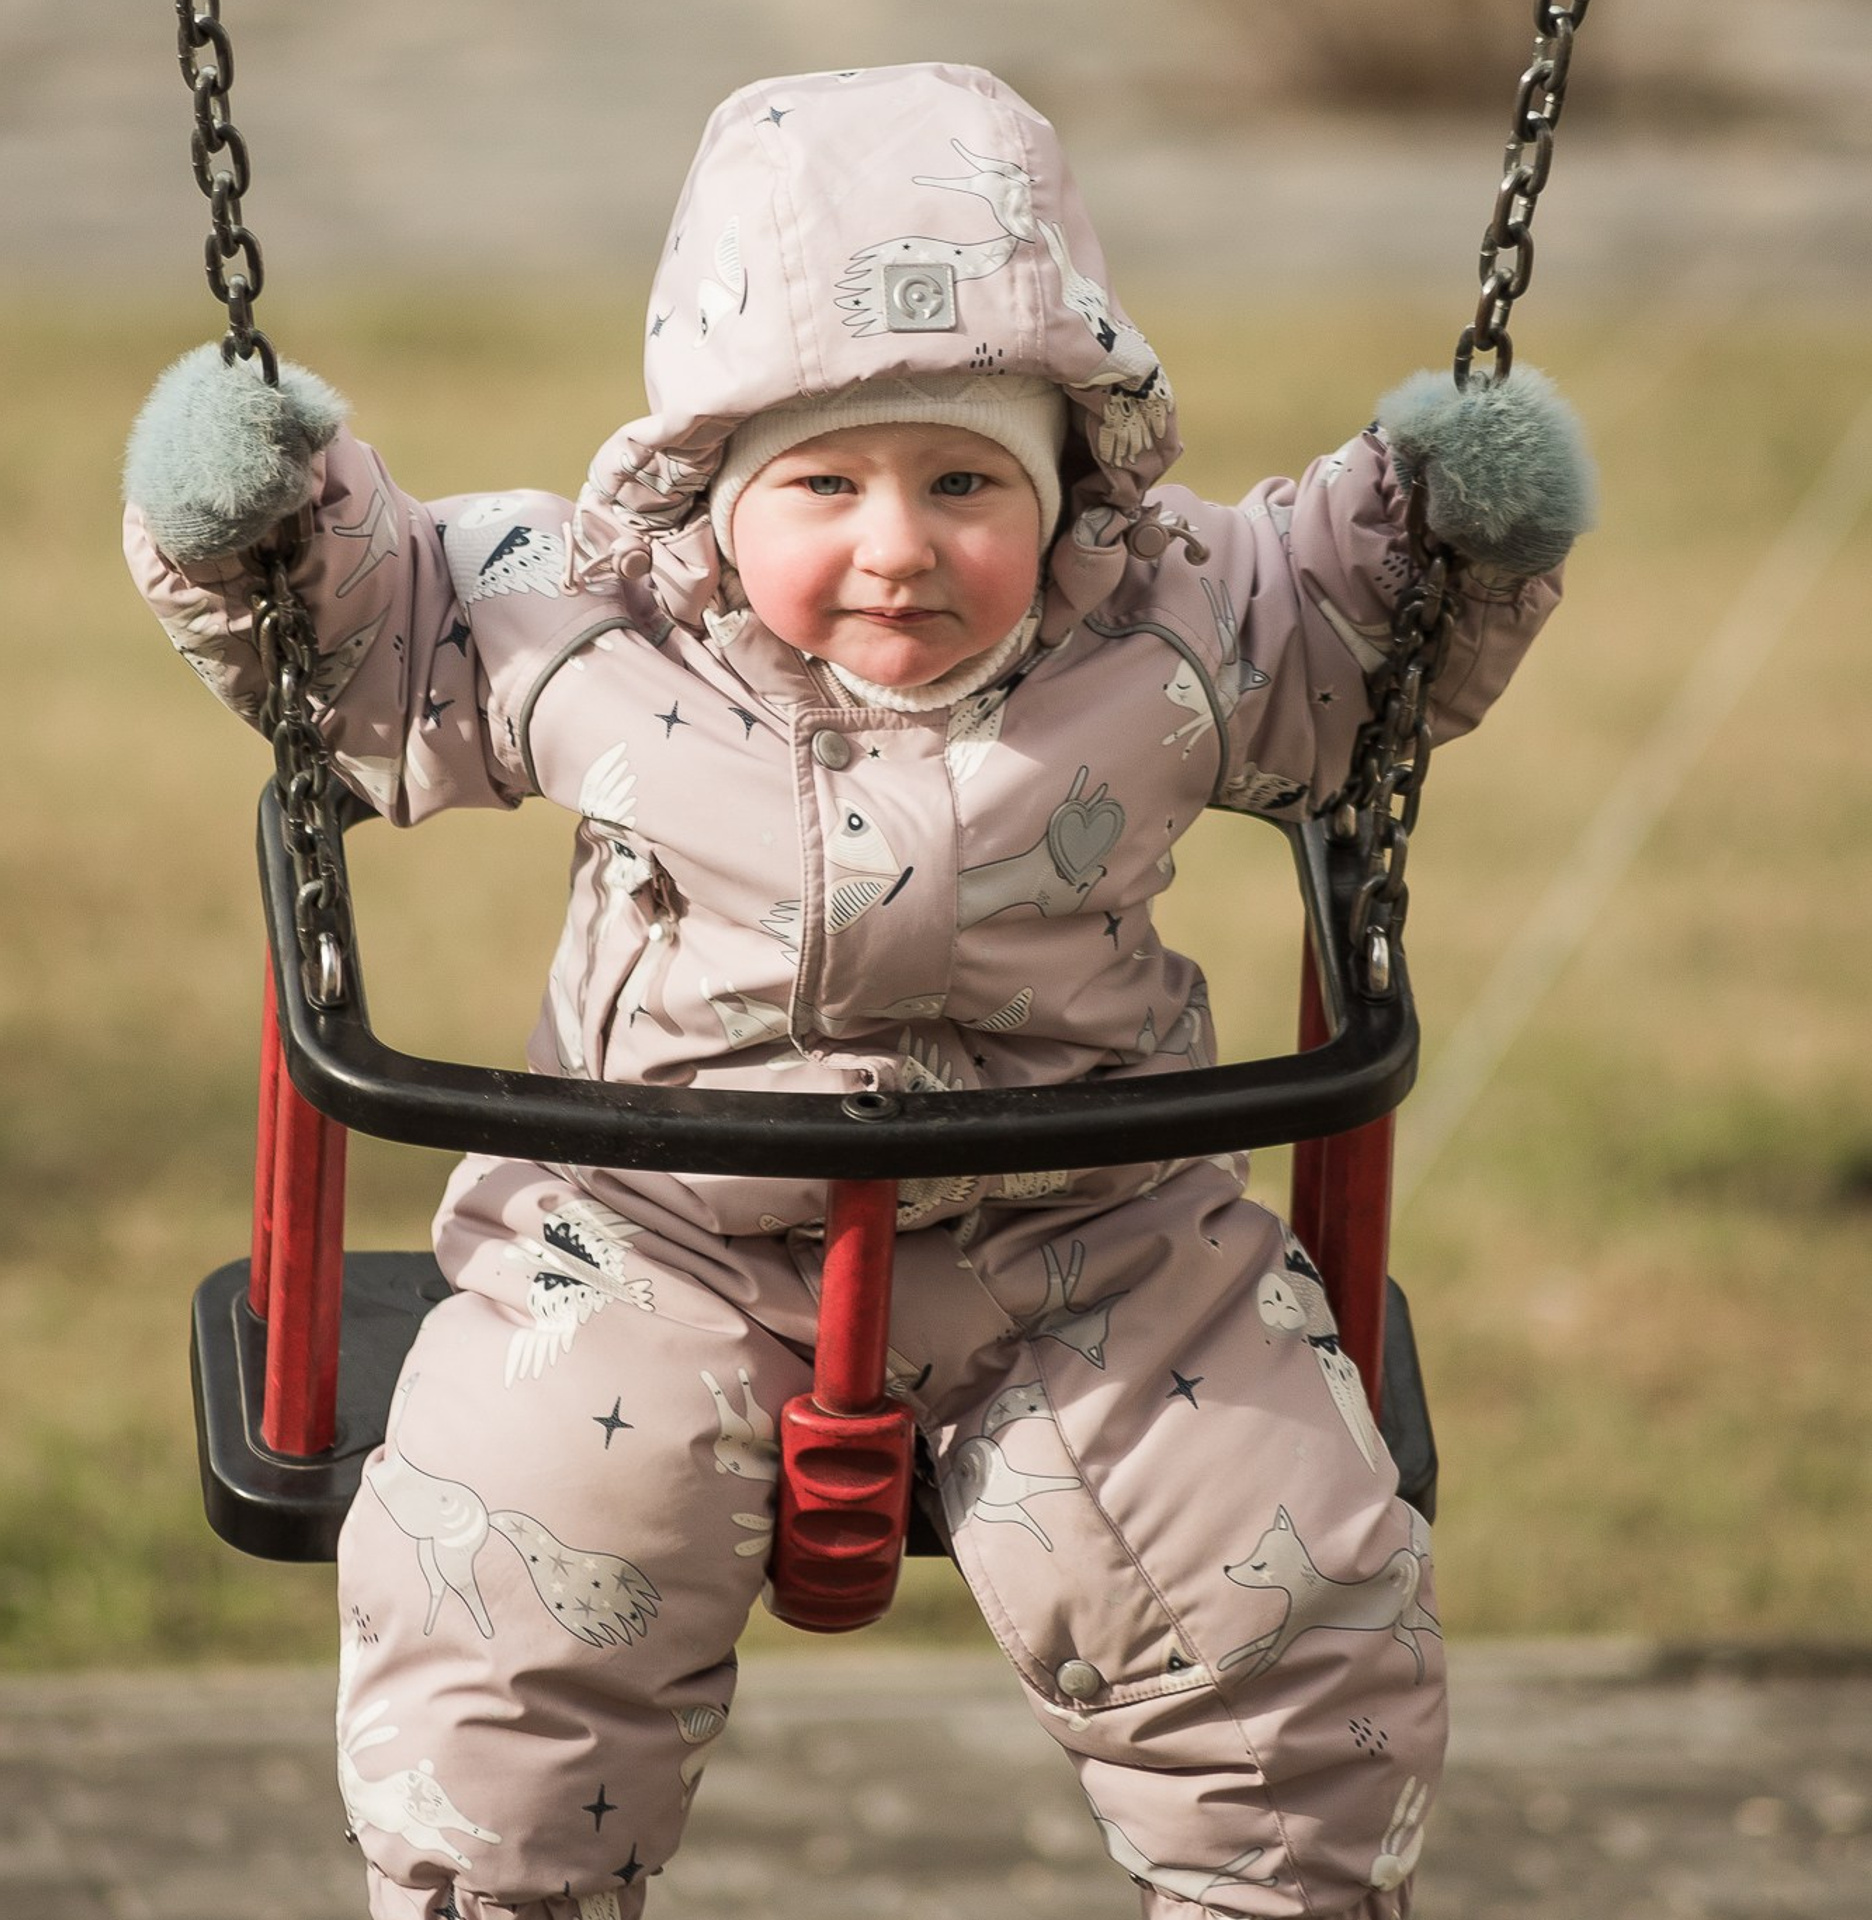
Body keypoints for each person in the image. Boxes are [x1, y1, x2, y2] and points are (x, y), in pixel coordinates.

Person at [124, 62, 1593, 1920]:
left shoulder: (1166, 611)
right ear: (717, 489)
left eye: (965, 481)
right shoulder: (585, 610)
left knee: (1281, 1604)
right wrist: (256, 513)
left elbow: (1339, 620)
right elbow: (375, 624)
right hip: (658, 1234)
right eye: (823, 482)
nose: (897, 545)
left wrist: (1444, 518)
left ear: (1061, 489)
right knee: (504, 1595)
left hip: (1098, 1240)